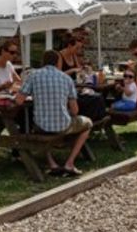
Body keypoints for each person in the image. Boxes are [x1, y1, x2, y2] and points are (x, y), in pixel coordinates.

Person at [18, 49, 91, 177]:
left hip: (40, 126)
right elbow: (75, 111)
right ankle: (69, 162)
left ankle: (52, 163)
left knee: (40, 122)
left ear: (42, 62)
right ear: (58, 63)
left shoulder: (33, 76)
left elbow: (19, 100)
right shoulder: (66, 78)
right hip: (63, 125)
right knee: (88, 123)